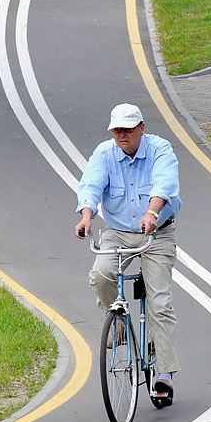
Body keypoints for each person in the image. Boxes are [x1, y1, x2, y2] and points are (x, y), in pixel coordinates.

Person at [75, 103, 181, 406]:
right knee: (102, 274)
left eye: (127, 129)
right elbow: (91, 185)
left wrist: (152, 213)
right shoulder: (104, 154)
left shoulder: (160, 149)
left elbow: (165, 183)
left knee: (159, 302)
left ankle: (165, 374)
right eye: (116, 130)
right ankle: (118, 322)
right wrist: (86, 217)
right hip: (119, 231)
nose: (122, 135)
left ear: (141, 128)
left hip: (156, 231)